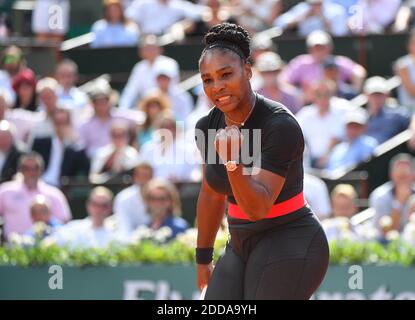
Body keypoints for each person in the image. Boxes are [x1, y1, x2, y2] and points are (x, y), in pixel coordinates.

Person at [194, 23, 329, 300]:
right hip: (241, 242)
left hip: (291, 238)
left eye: (226, 74)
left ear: (247, 71)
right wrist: (203, 257)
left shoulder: (280, 124)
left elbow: (257, 208)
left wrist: (233, 162)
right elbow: (211, 193)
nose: (217, 86)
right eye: (207, 80)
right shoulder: (207, 126)